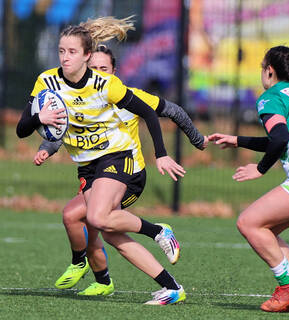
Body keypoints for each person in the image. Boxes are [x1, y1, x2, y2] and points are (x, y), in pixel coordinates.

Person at [16, 16, 187, 305]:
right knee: (110, 233)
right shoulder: (46, 81)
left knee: (96, 218)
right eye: (61, 51)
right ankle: (172, 288)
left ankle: (159, 230)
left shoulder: (105, 84)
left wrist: (161, 154)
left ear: (86, 55)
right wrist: (38, 118)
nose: (65, 57)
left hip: (119, 158)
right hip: (89, 165)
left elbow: (147, 112)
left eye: (71, 52)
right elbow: (22, 129)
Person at [209, 45, 289, 313]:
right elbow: (282, 139)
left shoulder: (271, 96)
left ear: (269, 70)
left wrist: (260, 169)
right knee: (268, 230)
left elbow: (279, 139)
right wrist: (237, 140)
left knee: (248, 222)